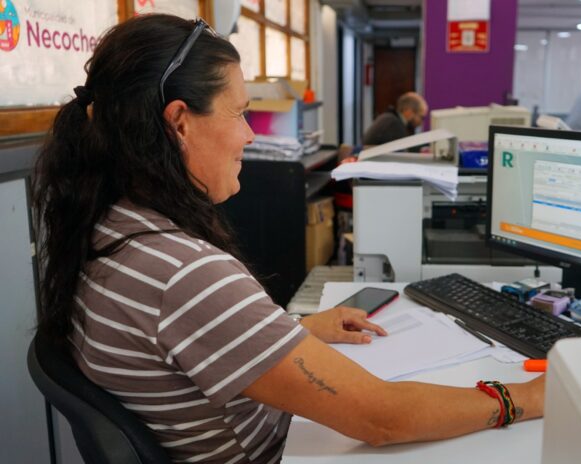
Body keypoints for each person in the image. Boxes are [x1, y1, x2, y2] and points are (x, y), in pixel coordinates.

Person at [32, 14, 544, 464]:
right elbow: (382, 418)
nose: (251, 134)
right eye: (239, 113)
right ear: (180, 123)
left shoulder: (110, 228)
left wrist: (295, 330)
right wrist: (526, 397)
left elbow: (187, 337)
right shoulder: (183, 273)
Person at [363, 92, 428, 146]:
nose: (421, 122)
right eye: (421, 117)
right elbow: (401, 153)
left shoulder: (388, 118)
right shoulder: (394, 125)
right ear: (408, 111)